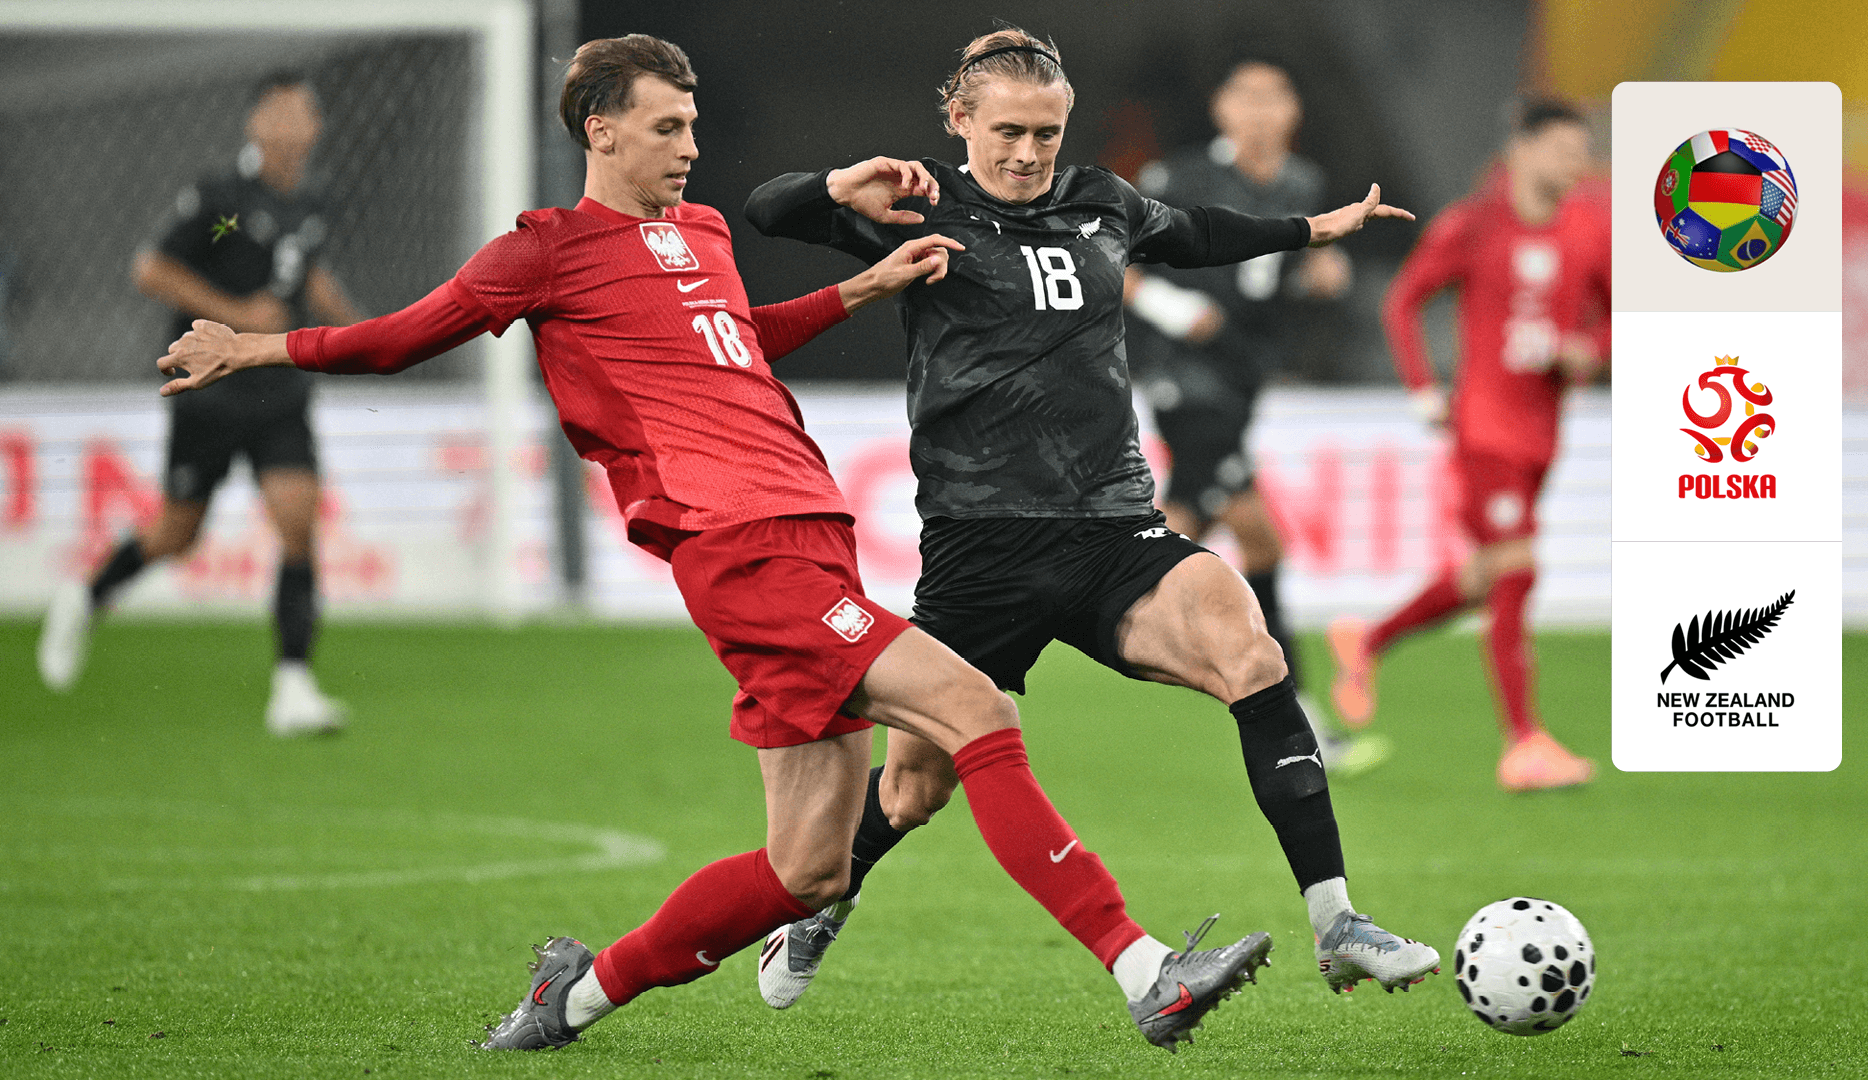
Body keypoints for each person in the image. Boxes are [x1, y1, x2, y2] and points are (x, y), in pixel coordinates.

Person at [156, 35, 1273, 1054]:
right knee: (977, 710)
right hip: (738, 548)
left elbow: (736, 341)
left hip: (810, 531)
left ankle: (574, 996)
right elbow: (402, 336)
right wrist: (254, 348)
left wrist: (862, 287)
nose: (692, 147)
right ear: (600, 130)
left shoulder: (699, 233)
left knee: (807, 869)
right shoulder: (544, 251)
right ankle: (1144, 970)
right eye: (666, 127)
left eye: (692, 124)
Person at [746, 27, 1439, 1013]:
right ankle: (819, 906)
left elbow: (1194, 233)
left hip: (1114, 529)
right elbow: (767, 211)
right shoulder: (919, 207)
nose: (1029, 153)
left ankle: (1338, 925)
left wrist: (1306, 231)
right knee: (913, 789)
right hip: (982, 548)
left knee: (1250, 651)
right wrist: (832, 184)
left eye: (1047, 132)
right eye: (1008, 133)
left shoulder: (1099, 200)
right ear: (960, 121)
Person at [37, 72, 363, 735]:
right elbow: (152, 269)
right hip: (210, 388)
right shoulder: (224, 205)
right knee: (177, 534)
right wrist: (238, 315)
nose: (295, 125)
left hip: (278, 385)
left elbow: (308, 273)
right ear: (256, 124)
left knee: (297, 520)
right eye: (281, 112)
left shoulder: (313, 204)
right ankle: (86, 596)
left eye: (304, 113)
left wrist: (365, 335)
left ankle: (292, 686)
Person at [1326, 98, 1608, 792]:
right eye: (1563, 150)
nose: (1576, 165)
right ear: (1522, 149)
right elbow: (1404, 299)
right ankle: (1524, 742)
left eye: (1582, 152)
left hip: (1543, 432)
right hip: (1484, 430)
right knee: (1516, 570)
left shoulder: (1589, 228)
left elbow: (1615, 318)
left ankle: (1369, 640)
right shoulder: (1474, 224)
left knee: (1489, 573)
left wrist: (1588, 350)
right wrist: (1425, 391)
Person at [1126, 58, 1386, 777]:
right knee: (1213, 521)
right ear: (1222, 108)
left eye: (1274, 96)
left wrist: (1315, 274)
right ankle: (1295, 712)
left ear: (1293, 110)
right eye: (1246, 96)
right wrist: (1174, 307)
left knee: (1245, 537)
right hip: (1182, 373)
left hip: (1241, 376)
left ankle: (1098, 594)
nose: (1260, 110)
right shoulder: (1180, 178)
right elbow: (1112, 260)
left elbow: (1268, 274)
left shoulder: (1302, 184)